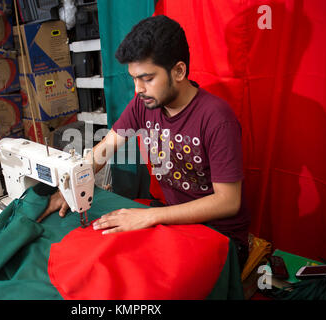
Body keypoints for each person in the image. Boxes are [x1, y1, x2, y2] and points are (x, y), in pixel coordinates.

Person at [37, 15, 250, 267]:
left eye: (147, 78)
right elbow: (104, 150)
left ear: (179, 71)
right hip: (172, 224)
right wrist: (71, 185)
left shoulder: (216, 118)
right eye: (134, 78)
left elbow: (228, 201)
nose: (138, 88)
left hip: (219, 235)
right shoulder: (144, 104)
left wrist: (149, 217)